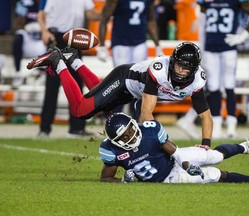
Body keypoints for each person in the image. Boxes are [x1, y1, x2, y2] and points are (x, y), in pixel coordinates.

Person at [27, 41, 213, 146]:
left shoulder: (197, 82)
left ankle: (73, 60)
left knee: (106, 108)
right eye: (179, 65)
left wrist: (206, 144)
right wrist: (165, 143)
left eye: (186, 68)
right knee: (81, 111)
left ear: (194, 70)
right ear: (172, 61)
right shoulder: (160, 71)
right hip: (124, 80)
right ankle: (58, 61)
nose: (180, 71)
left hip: (133, 93)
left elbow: (206, 116)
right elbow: (146, 113)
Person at [99, 112, 249, 184]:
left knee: (212, 155)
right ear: (116, 140)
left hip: (174, 160)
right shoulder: (110, 151)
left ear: (134, 123)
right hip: (168, 178)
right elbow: (106, 177)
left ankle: (245, 146)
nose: (131, 135)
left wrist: (186, 164)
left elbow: (173, 150)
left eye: (131, 129)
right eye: (124, 136)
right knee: (215, 174)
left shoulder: (150, 130)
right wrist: (123, 180)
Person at [196, 0, 249, 138]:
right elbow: (202, 25)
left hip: (228, 47)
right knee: (213, 87)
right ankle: (217, 125)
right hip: (211, 47)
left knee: (229, 85)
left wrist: (243, 36)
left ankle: (231, 125)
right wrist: (201, 48)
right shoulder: (205, 2)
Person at [37, 0, 100, 138]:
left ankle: (76, 128)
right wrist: (44, 31)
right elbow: (41, 14)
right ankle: (44, 129)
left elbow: (90, 13)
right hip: (55, 37)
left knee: (77, 84)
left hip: (74, 40)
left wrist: (108, 13)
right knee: (52, 85)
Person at [97, 0, 162, 114]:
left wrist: (157, 45)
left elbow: (150, 20)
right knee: (121, 81)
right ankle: (116, 117)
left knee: (141, 81)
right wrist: (101, 46)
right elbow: (104, 18)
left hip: (140, 42)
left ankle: (137, 117)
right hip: (121, 42)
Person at [11, 0, 46, 87]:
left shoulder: (48, 3)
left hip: (43, 40)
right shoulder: (24, 3)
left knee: (54, 37)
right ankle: (18, 73)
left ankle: (46, 72)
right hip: (29, 38)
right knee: (18, 36)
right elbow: (17, 24)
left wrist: (43, 28)